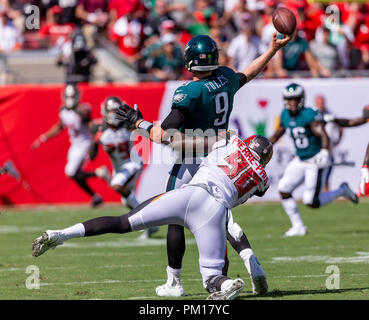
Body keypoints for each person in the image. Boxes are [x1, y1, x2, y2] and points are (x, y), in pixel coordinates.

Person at [110, 32, 293, 297]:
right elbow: (248, 73)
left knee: (174, 218)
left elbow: (164, 136)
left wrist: (138, 123)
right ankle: (229, 274)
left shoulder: (191, 90)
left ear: (189, 61)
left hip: (192, 156)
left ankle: (174, 282)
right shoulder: (226, 77)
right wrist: (273, 48)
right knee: (219, 219)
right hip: (221, 157)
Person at [32, 131, 273, 300]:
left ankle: (61, 234)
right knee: (211, 278)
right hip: (215, 209)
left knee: (123, 222)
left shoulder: (231, 140)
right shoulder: (263, 179)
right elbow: (249, 191)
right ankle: (229, 284)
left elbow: (212, 142)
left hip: (190, 194)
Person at [269, 83, 359, 237]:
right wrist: (265, 146)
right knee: (284, 188)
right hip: (300, 158)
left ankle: (341, 190)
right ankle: (298, 227)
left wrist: (324, 152)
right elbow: (278, 133)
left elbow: (323, 134)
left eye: (295, 99)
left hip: (315, 159)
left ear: (301, 99)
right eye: (290, 99)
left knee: (311, 202)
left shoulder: (309, 114)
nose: (292, 103)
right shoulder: (284, 114)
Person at [89, 96, 157, 239]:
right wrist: (95, 141)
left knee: (117, 184)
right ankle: (150, 224)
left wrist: (139, 120)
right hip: (119, 168)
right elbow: (92, 156)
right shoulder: (98, 128)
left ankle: (148, 222)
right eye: (110, 111)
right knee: (126, 199)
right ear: (104, 112)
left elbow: (145, 129)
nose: (113, 115)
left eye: (116, 111)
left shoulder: (127, 125)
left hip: (133, 163)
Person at [31, 84, 106, 207]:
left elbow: (91, 124)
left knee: (71, 172)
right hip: (75, 145)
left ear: (77, 96)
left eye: (72, 96)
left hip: (85, 143)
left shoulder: (83, 109)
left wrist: (95, 139)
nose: (70, 99)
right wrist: (42, 138)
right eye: (68, 96)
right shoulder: (63, 110)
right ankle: (96, 192)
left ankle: (98, 182)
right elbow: (59, 127)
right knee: (71, 174)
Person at [315, 94, 343, 192]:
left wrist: (337, 141)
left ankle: (325, 195)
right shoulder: (312, 115)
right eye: (319, 102)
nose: (321, 104)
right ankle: (319, 195)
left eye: (322, 102)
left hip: (328, 150)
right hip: (316, 150)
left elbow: (340, 127)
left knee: (325, 176)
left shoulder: (330, 115)